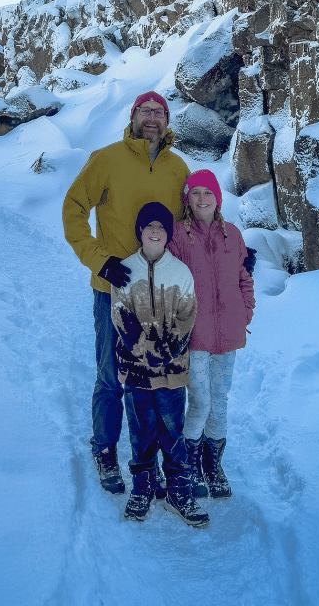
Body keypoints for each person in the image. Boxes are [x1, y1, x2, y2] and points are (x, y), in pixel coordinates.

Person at [62, 91, 189, 494]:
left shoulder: (177, 168)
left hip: (160, 294)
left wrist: (235, 253)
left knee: (157, 379)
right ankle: (104, 449)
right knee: (110, 375)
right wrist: (99, 260)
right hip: (113, 289)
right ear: (133, 116)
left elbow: (190, 229)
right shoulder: (107, 158)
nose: (152, 118)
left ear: (167, 121)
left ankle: (147, 460)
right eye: (145, 111)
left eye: (159, 112)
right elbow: (73, 208)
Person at [110, 203, 209, 527]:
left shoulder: (180, 273)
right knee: (140, 431)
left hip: (171, 374)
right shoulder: (124, 270)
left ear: (168, 234)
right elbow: (121, 316)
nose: (155, 231)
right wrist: (143, 349)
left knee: (172, 430)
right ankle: (143, 486)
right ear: (140, 231)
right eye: (149, 226)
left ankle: (179, 491)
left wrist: (164, 351)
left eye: (162, 227)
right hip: (136, 373)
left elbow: (187, 316)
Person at [168, 169, 254, 499]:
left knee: (220, 403)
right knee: (200, 402)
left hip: (228, 334)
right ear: (186, 199)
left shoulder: (233, 234)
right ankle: (188, 464)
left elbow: (244, 278)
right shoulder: (176, 236)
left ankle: (212, 464)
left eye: (208, 193)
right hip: (195, 336)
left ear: (217, 198)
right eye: (195, 193)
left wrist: (245, 311)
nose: (202, 198)